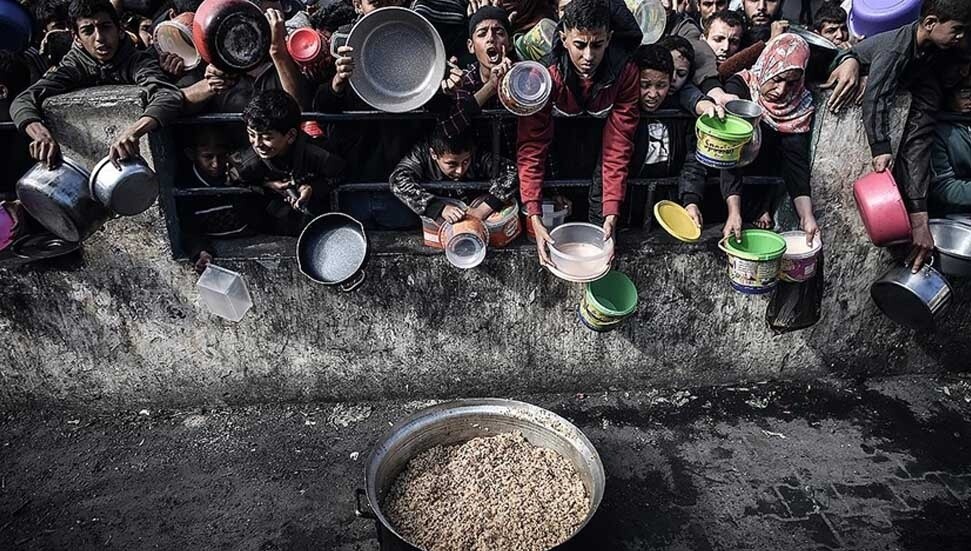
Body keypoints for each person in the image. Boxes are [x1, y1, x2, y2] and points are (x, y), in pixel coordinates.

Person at [827, 0, 971, 271]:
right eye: (957, 30)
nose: (960, 37)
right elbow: (877, 96)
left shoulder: (929, 60)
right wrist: (880, 145)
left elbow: (920, 133)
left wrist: (919, 214)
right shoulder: (896, 48)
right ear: (930, 24)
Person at [518, 0, 639, 267]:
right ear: (563, 39)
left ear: (609, 39)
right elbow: (532, 145)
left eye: (597, 45)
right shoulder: (546, 76)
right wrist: (534, 215)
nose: (588, 56)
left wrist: (611, 211)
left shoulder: (626, 73)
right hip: (558, 154)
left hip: (600, 156)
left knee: (604, 237)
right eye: (579, 45)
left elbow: (618, 145)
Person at [11, 0, 184, 169]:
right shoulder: (72, 66)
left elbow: (168, 95)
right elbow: (23, 100)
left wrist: (134, 131)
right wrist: (40, 133)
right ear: (76, 38)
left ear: (120, 30)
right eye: (88, 31)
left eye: (105, 27)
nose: (100, 38)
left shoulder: (138, 62)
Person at [591, 44, 707, 227]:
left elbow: (692, 161)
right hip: (625, 206)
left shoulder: (681, 113)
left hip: (668, 207)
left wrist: (690, 201)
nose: (653, 94)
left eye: (661, 85)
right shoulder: (622, 115)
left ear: (670, 82)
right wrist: (602, 222)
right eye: (644, 85)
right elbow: (605, 170)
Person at [720, 34, 819, 246]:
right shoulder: (740, 88)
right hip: (726, 187)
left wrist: (806, 216)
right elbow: (730, 156)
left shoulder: (799, 106)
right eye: (777, 79)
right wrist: (733, 212)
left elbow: (796, 166)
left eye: (792, 83)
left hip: (765, 188)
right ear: (767, 67)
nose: (782, 90)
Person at [229, 90, 346, 233]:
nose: (257, 144)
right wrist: (266, 185)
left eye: (267, 137)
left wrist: (312, 188)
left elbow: (341, 174)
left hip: (318, 228)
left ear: (290, 135)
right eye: (252, 135)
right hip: (269, 231)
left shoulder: (319, 154)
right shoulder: (247, 162)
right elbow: (233, 179)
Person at [182, 6, 310, 112]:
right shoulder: (215, 60)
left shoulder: (293, 49)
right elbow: (176, 102)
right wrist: (210, 85)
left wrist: (278, 52)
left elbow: (300, 109)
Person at [176, 127, 267, 273]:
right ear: (191, 154)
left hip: (253, 238)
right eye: (208, 157)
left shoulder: (238, 174)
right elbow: (189, 230)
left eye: (221, 155)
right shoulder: (186, 188)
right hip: (219, 245)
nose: (216, 164)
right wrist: (202, 252)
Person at [436, 6, 517, 158]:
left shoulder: (523, 76)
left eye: (499, 32)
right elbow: (447, 129)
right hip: (479, 171)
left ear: (510, 43)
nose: (491, 38)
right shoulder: (464, 80)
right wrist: (491, 87)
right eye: (482, 33)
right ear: (471, 46)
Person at [390, 129, 519, 223]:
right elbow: (397, 180)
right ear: (434, 154)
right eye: (452, 164)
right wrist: (437, 208)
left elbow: (512, 171)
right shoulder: (421, 154)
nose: (460, 170)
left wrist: (482, 210)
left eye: (466, 162)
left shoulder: (478, 155)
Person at [930, 75, 971, 213]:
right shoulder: (938, 133)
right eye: (965, 92)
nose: (970, 98)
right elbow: (943, 188)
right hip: (955, 214)